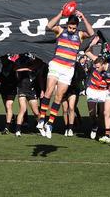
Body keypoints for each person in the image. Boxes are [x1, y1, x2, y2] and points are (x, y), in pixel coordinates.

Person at [37, 8, 94, 139]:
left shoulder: (79, 34)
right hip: (56, 65)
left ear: (76, 27)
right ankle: (41, 120)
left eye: (74, 28)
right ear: (67, 24)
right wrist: (61, 14)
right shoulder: (60, 30)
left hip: (68, 69)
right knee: (48, 92)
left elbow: (91, 33)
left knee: (59, 96)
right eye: (70, 27)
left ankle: (49, 124)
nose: (71, 30)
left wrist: (83, 17)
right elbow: (49, 26)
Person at [13, 54, 41, 137]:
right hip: (21, 88)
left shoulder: (32, 63)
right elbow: (16, 69)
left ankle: (42, 127)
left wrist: (29, 68)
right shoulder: (18, 62)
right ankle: (17, 130)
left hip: (31, 90)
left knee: (36, 112)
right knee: (23, 109)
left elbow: (35, 67)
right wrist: (27, 69)